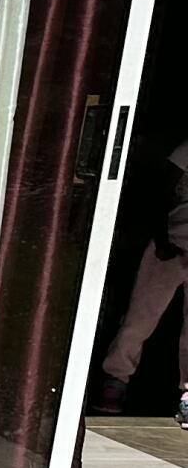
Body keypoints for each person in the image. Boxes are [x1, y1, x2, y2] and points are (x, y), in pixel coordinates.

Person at [93, 132, 188, 426]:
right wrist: (161, 237)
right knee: (141, 316)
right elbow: (163, 190)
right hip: (172, 244)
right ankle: (116, 378)